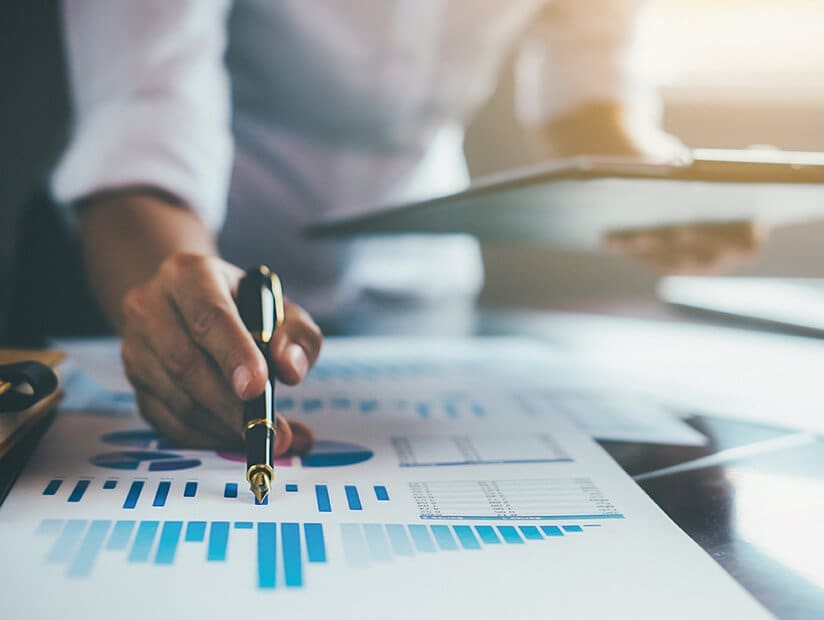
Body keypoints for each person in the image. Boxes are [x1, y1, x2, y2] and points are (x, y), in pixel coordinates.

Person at [52, 0, 756, 452]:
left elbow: (588, 87)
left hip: (422, 287)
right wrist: (172, 285)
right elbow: (141, 116)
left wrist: (656, 184)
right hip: (191, 262)